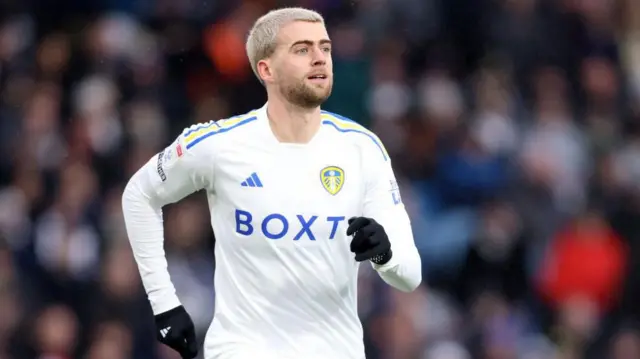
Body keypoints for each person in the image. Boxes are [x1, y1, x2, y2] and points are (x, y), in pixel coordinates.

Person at [121, 7, 422, 359]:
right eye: (302, 49)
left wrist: (385, 253)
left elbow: (410, 275)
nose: (319, 59)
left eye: (325, 48)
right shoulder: (220, 145)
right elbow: (139, 193)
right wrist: (164, 304)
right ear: (266, 69)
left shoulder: (362, 148)